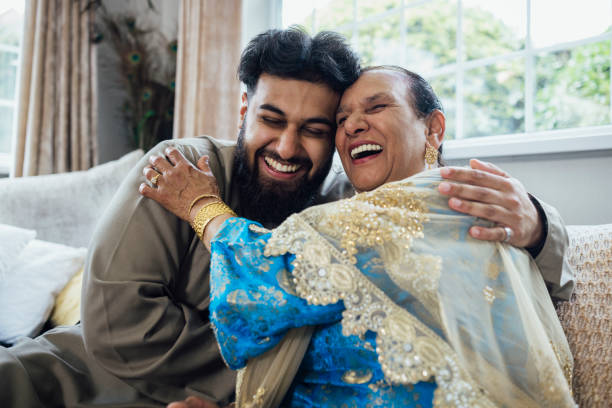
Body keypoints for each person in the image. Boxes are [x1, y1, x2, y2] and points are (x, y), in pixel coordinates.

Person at [0, 27, 571, 407]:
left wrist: (538, 224)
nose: (289, 147)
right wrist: (262, 383)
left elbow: (502, 265)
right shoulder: (181, 169)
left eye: (317, 129)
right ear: (244, 110)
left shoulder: (347, 202)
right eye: (273, 119)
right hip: (72, 384)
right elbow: (119, 326)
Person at [150, 66, 574, 407]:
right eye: (340, 120)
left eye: (376, 107)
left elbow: (264, 275)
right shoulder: (344, 212)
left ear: (433, 129)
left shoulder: (462, 201)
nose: (352, 125)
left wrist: (200, 206)